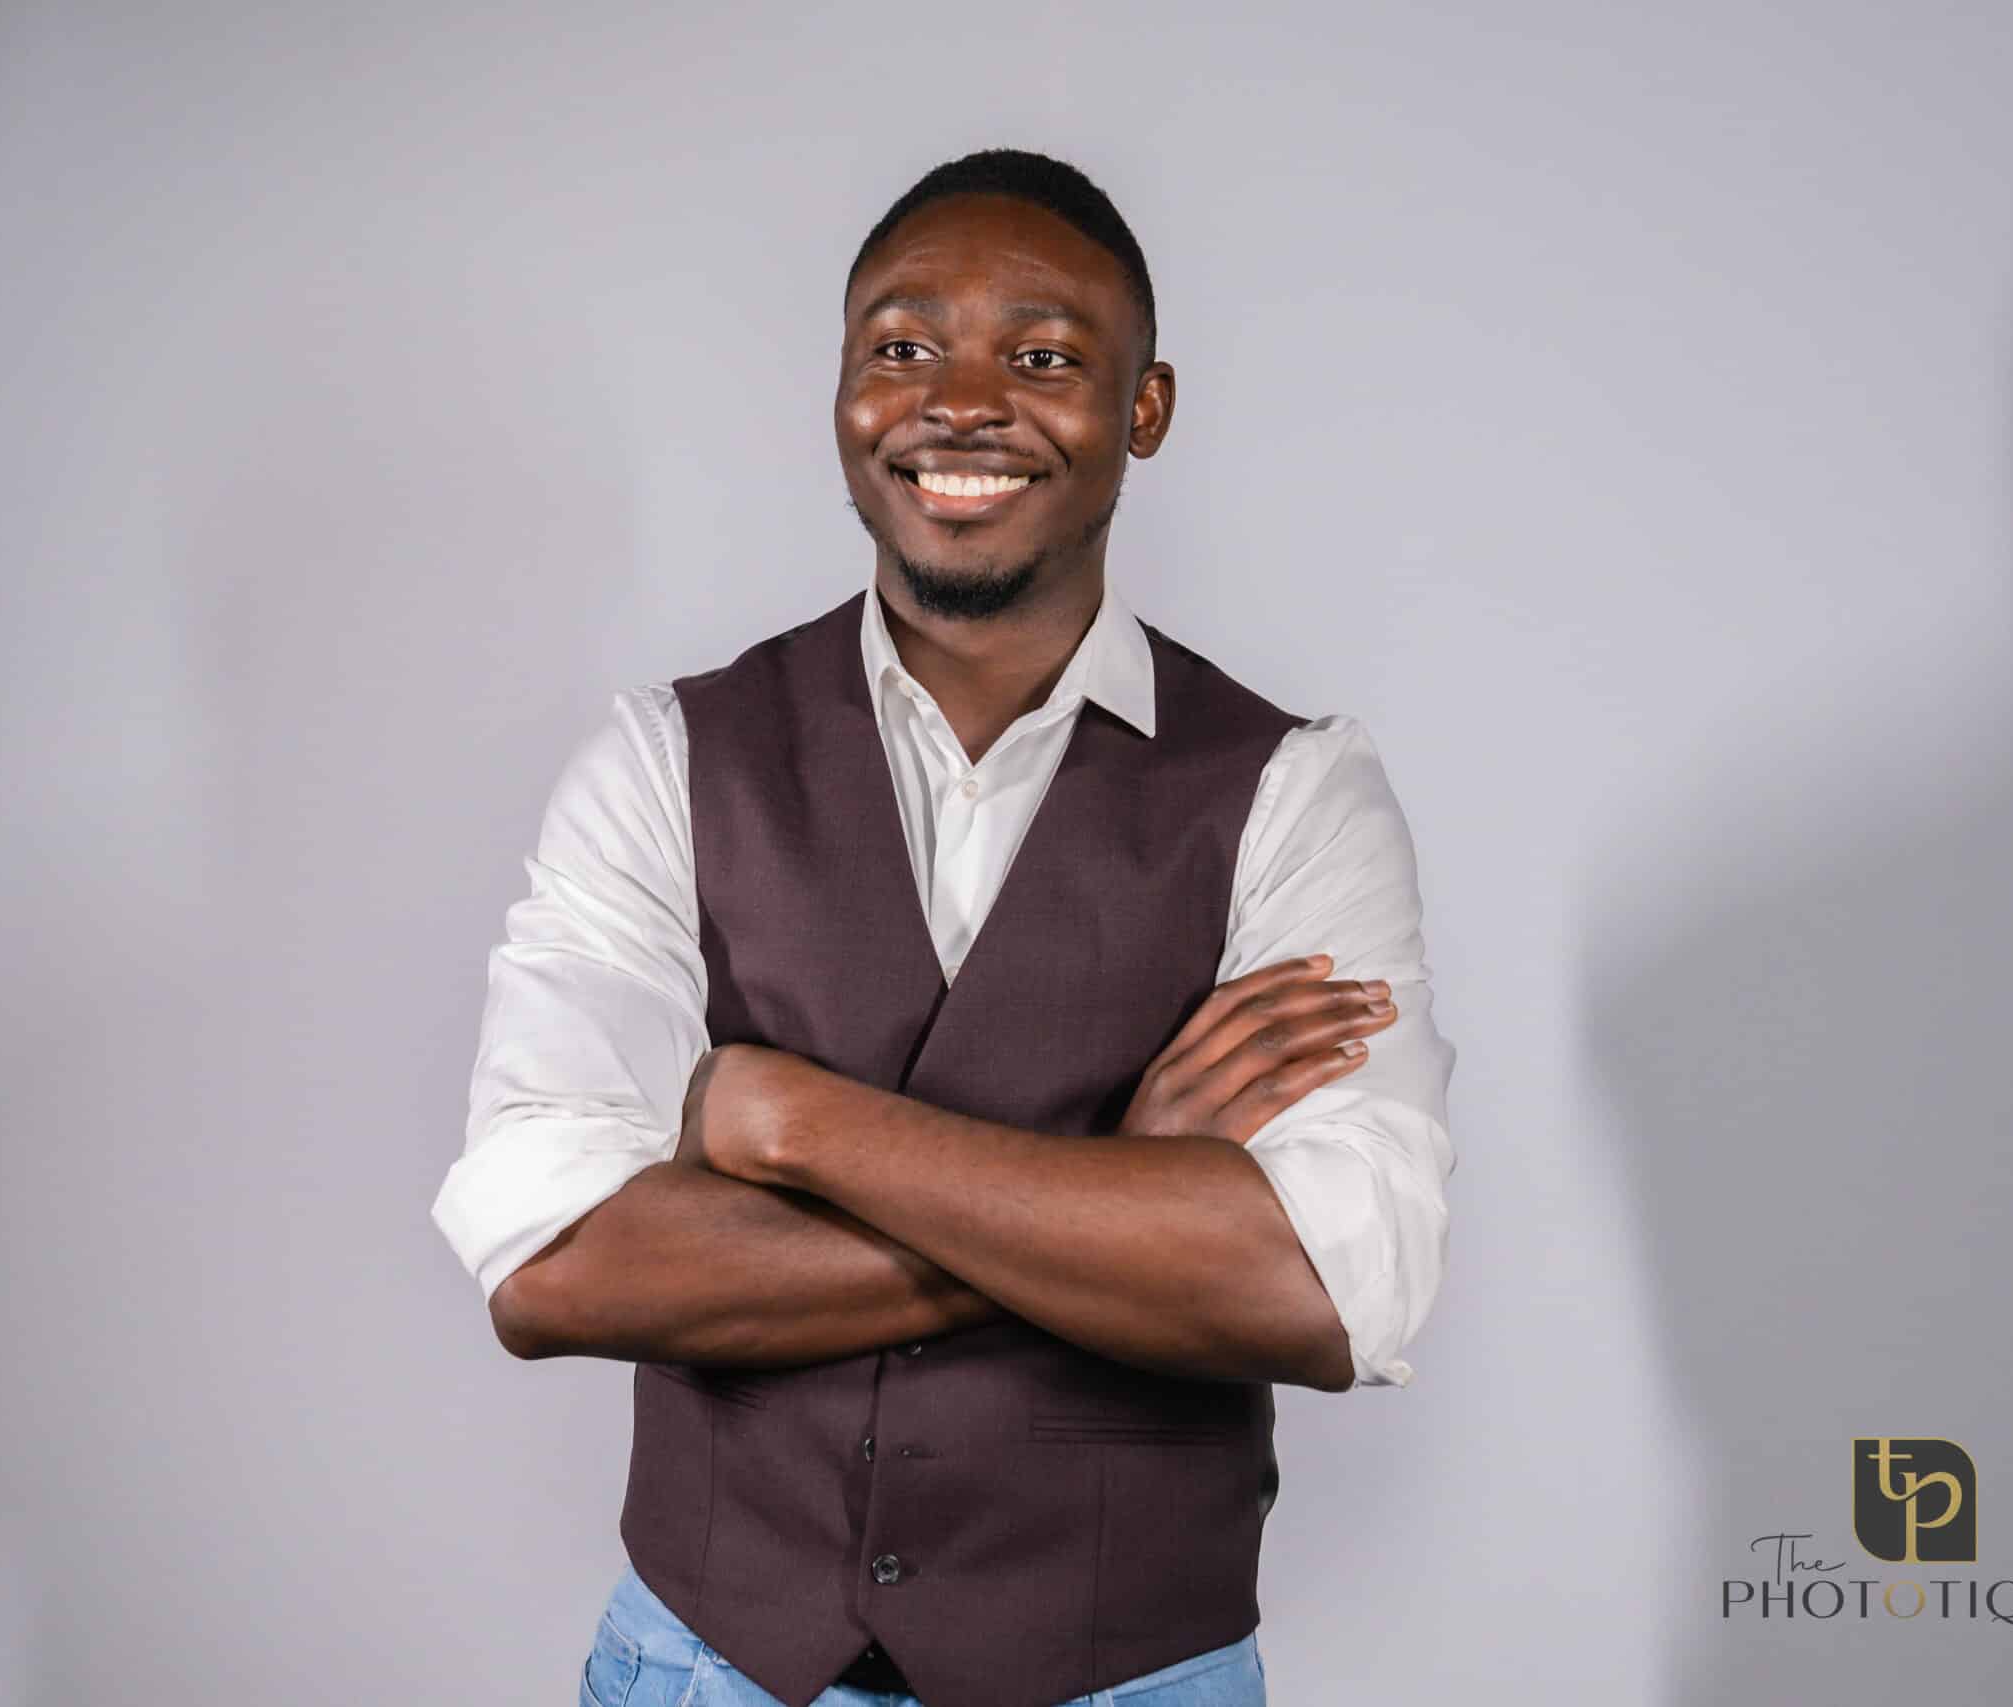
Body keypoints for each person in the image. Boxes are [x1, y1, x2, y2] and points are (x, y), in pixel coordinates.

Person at [430, 146, 1458, 1707]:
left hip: (1132, 1680)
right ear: (844, 391)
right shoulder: (665, 760)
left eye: (1042, 359)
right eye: (903, 347)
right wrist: (1120, 1184)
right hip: (708, 1668)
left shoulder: (1295, 791)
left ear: (1145, 409)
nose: (960, 404)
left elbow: (1327, 1290)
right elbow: (553, 1264)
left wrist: (785, 1121)